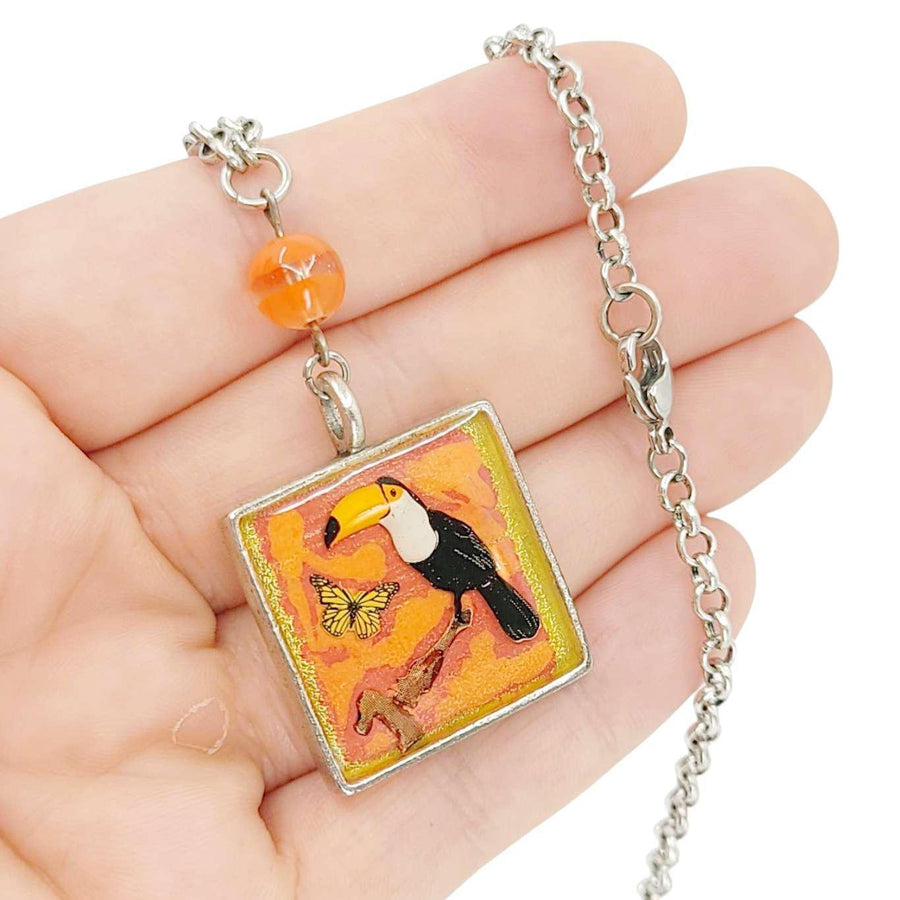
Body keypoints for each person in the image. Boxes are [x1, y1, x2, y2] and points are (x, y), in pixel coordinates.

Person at [0, 41, 835, 897]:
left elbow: (467, 563)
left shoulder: (436, 525)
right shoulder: (400, 538)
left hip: (472, 580)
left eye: (387, 499)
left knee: (489, 596)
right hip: (438, 598)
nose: (380, 510)